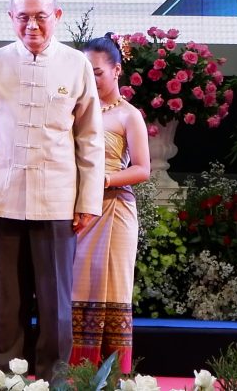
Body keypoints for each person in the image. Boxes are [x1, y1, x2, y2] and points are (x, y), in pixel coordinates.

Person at [0, 0, 103, 379]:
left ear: (56, 17)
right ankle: (6, 378)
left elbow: (90, 138)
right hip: (2, 197)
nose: (32, 25)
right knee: (8, 299)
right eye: (23, 17)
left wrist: (88, 201)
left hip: (58, 200)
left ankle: (53, 379)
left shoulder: (76, 65)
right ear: (11, 18)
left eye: (41, 16)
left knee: (56, 302)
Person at [71, 34, 150, 373]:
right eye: (85, 73)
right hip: (76, 211)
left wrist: (103, 179)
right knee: (75, 288)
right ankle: (74, 373)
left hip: (114, 210)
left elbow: (142, 169)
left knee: (112, 288)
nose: (91, 79)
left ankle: (110, 375)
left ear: (117, 70)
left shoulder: (129, 115)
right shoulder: (74, 109)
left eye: (98, 72)